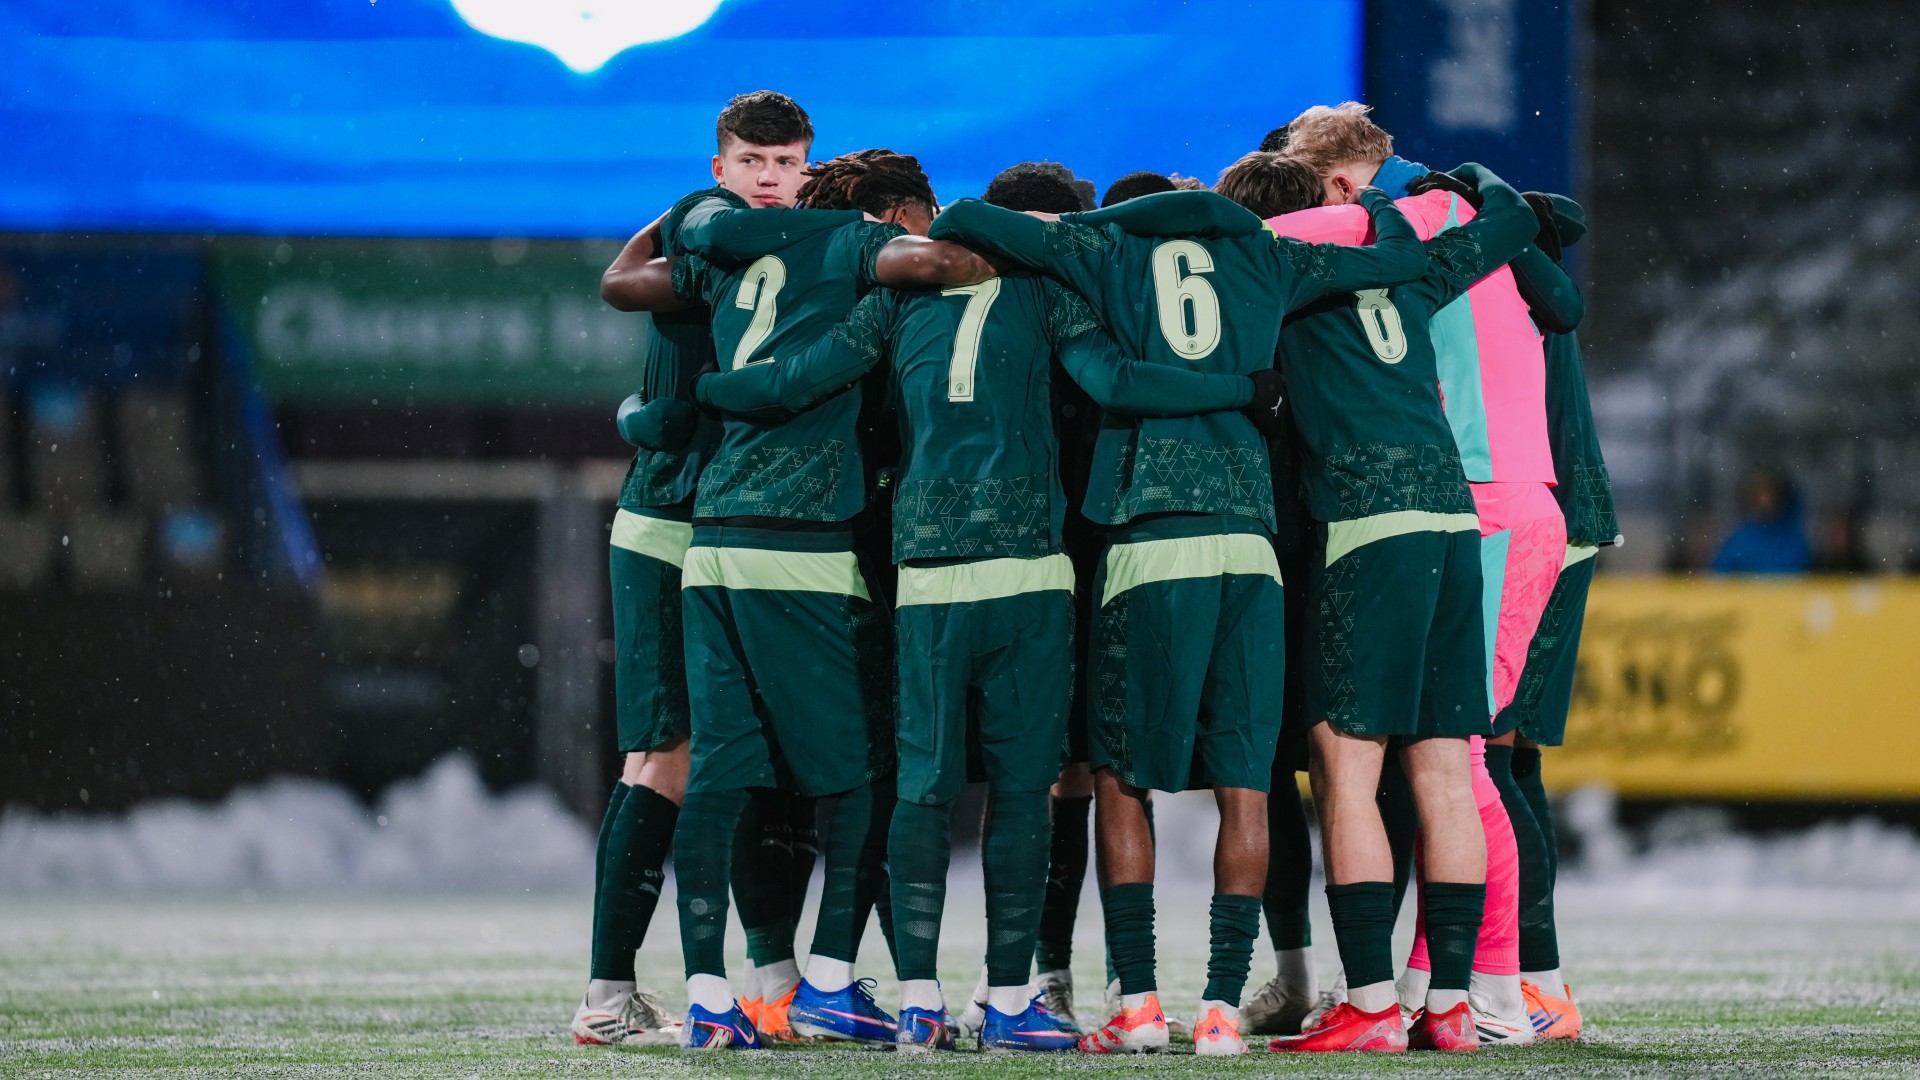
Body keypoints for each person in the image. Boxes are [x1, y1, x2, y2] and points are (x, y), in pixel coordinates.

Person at [691, 159, 1279, 1051]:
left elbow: (801, 379)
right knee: (1023, 793)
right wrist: (1241, 389)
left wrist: (710, 390)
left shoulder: (895, 301)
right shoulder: (1048, 296)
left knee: (921, 791)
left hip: (924, 572)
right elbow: (1118, 383)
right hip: (1030, 572)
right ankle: (1014, 998)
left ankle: (919, 1001)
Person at [929, 179, 1427, 1055]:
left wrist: (1087, 223)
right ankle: (1223, 1011)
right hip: (1250, 545)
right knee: (1247, 783)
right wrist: (1381, 209)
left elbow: (963, 217)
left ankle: (1140, 1005)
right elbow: (1399, 261)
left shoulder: (1105, 248)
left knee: (1121, 777)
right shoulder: (1265, 253)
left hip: (1151, 536)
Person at [610, 149, 999, 1049]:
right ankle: (835, 980)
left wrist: (684, 227)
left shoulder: (731, 256)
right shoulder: (862, 259)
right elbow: (931, 271)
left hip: (713, 538)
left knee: (724, 772)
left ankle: (721, 994)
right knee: (871, 775)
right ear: (892, 215)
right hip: (809, 543)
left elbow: (623, 281)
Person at [1213, 153, 1535, 1053]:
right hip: (1451, 520)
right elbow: (1513, 226)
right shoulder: (1411, 273)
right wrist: (1469, 181)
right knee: (1441, 769)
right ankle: (1449, 1005)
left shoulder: (1271, 276)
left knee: (1346, 767)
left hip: (1366, 524)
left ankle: (1367, 1007)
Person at [1282, 103, 1574, 1042]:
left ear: (1334, 184)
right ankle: (1443, 988)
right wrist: (1482, 184)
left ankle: (1504, 984)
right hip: (1493, 498)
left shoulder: (1356, 231)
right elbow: (1558, 285)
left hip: (1469, 496)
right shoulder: (1450, 224)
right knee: (1456, 761)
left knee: (1432, 763)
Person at [574, 89, 813, 1048]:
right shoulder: (712, 232)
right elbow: (631, 272)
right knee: (667, 753)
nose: (768, 177)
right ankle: (607, 994)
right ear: (720, 169)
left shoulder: (793, 250)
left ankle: (775, 980)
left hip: (743, 531)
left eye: (784, 162)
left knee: (756, 753)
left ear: (806, 166)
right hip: (676, 524)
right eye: (751, 161)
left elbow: (621, 280)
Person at [1489, 191, 1618, 1042]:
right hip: (1569, 517)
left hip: (1541, 522)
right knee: (1514, 761)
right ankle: (1542, 980)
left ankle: (1534, 982)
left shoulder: (1513, 284)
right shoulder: (1537, 282)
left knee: (1490, 756)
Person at [1710, 470, 1812, 573]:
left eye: (1770, 495)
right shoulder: (1740, 539)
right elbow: (1720, 575)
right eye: (1760, 496)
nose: (1765, 501)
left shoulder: (1796, 539)